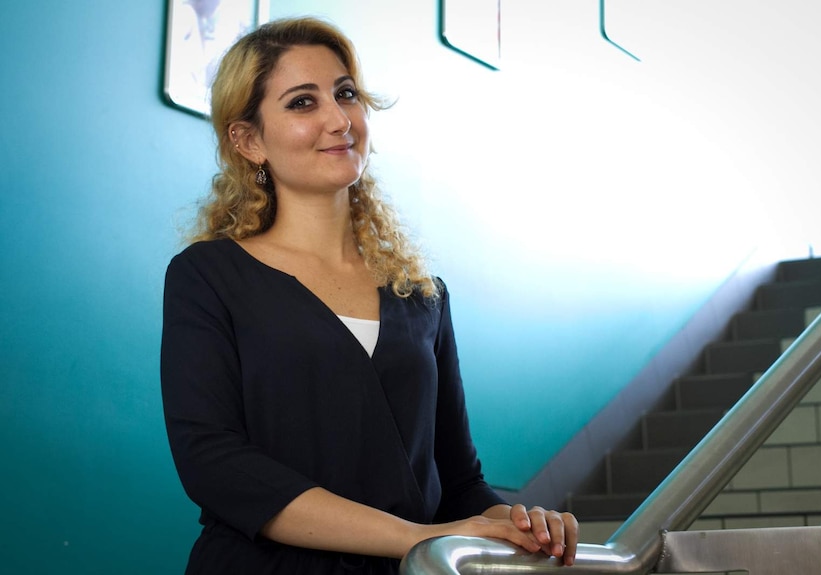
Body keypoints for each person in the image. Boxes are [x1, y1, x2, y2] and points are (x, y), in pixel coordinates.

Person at [160, 16, 578, 574]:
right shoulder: (207, 277)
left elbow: (458, 483)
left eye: (346, 94)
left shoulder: (421, 294)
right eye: (302, 103)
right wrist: (415, 537)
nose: (338, 120)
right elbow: (215, 464)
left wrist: (517, 523)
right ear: (250, 140)